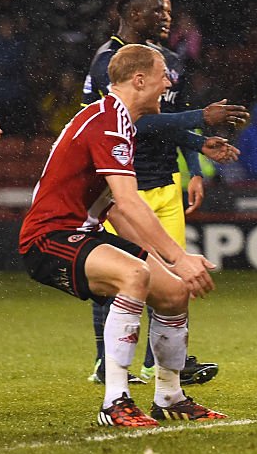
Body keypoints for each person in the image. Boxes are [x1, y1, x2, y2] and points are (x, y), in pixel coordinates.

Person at [19, 44, 226, 426]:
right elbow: (130, 203)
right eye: (163, 74)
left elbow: (114, 206)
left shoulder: (116, 119)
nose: (169, 82)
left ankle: (169, 397)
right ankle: (115, 402)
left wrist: (168, 264)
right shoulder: (108, 120)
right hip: (48, 238)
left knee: (174, 291)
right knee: (135, 276)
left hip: (83, 231)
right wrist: (179, 257)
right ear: (139, 79)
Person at [82, 0, 249, 386]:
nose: (167, 18)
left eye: (168, 11)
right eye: (160, 11)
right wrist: (199, 122)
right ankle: (107, 361)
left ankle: (163, 363)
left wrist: (193, 160)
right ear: (135, 14)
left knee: (173, 277)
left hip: (165, 182)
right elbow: (133, 124)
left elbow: (174, 116)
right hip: (121, 186)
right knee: (119, 276)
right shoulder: (110, 61)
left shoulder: (170, 60)